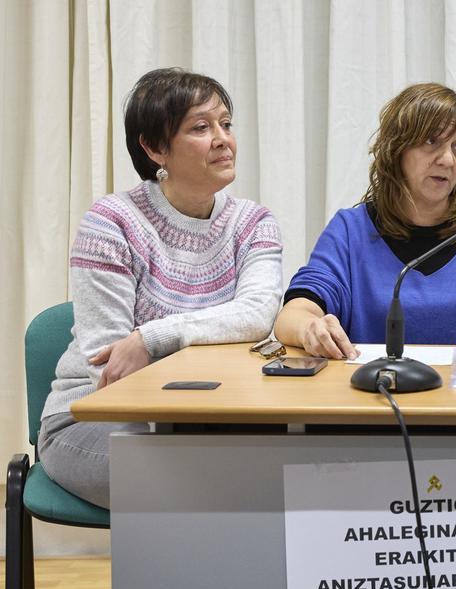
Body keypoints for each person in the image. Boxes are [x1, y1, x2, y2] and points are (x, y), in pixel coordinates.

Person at [39, 68, 284, 508]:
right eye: (200, 127)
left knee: (290, 464)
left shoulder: (254, 223)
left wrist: (151, 338)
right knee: (214, 482)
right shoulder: (111, 223)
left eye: (226, 124)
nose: (223, 139)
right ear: (154, 148)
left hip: (211, 419)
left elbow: (257, 314)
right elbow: (111, 373)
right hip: (92, 419)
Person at [274, 83, 456, 357]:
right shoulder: (351, 229)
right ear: (397, 149)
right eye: (431, 141)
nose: (448, 160)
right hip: (376, 387)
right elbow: (293, 314)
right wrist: (310, 328)